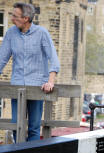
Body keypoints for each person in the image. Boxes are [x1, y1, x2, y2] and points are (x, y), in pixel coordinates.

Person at [0, 2, 60, 142]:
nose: (12, 18)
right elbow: (2, 59)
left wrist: (50, 81)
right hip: (17, 86)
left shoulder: (42, 33)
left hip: (37, 87)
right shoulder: (10, 33)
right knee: (16, 126)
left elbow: (54, 60)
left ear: (26, 18)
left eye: (15, 16)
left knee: (34, 127)